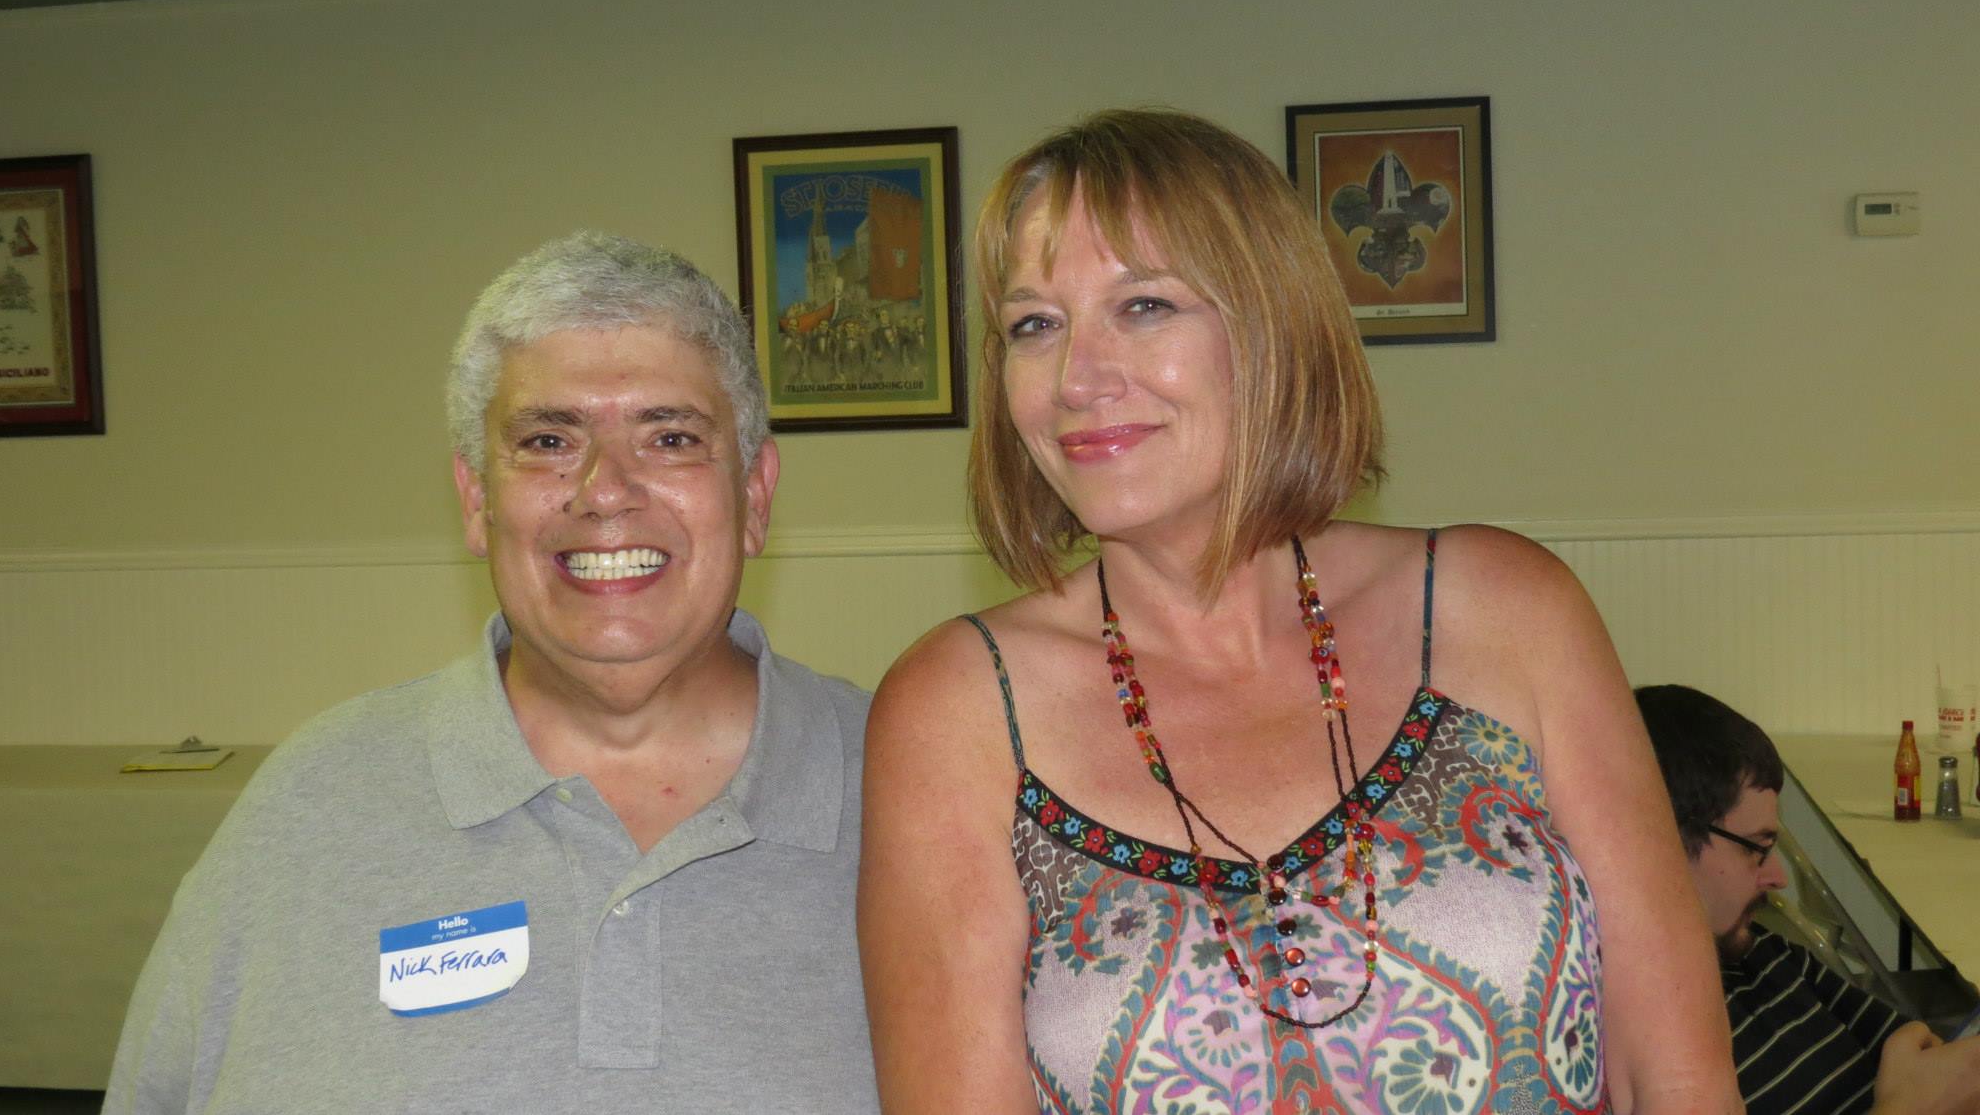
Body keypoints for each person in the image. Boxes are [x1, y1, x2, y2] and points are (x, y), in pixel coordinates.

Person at [858, 109, 1739, 1114]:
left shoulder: (1504, 610)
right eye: (1034, 325)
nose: (1076, 378)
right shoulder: (960, 711)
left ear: (1270, 328)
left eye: (1142, 305)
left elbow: (1677, 1079)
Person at [105, 232, 878, 1113]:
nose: (605, 490)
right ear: (476, 500)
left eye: (670, 437)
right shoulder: (310, 804)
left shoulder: (911, 789)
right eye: (548, 439)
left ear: (755, 494)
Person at [1635, 684, 1980, 1115]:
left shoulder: (1763, 957)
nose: (1778, 877)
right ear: (1664, 838)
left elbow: (1932, 1062)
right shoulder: (1639, 1050)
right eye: (1755, 848)